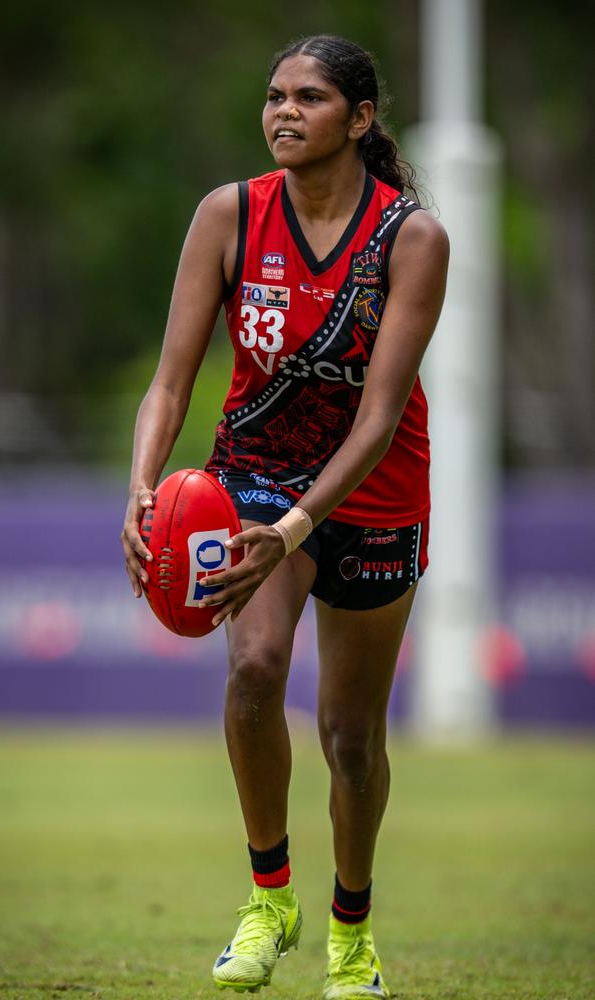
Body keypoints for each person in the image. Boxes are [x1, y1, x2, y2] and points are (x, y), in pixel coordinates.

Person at [122, 33, 448, 1000]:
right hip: (253, 473)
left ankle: (353, 933)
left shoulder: (411, 237)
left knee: (352, 740)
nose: (283, 113)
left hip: (373, 490)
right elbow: (171, 380)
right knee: (256, 670)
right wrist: (142, 487)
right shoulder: (229, 214)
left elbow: (382, 416)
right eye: (273, 96)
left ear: (360, 119)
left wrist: (296, 532)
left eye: (308, 97)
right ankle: (271, 897)